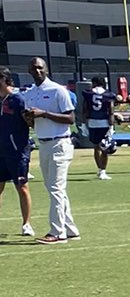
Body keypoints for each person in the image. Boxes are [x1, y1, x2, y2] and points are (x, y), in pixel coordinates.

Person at [22, 58, 79, 242]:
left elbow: (70, 118)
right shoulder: (30, 93)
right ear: (29, 71)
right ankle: (70, 229)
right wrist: (29, 118)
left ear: (46, 69)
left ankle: (57, 232)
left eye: (40, 68)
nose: (37, 71)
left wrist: (44, 113)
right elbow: (32, 121)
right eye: (34, 68)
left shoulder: (57, 90)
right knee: (53, 187)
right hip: (44, 143)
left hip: (60, 142)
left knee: (56, 188)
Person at [0, 68, 37, 236]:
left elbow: (30, 122)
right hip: (1, 151)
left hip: (17, 151)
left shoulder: (18, 99)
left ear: (3, 79)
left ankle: (26, 224)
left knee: (22, 186)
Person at [82, 75, 116, 178]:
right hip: (104, 123)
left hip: (92, 123)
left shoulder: (88, 93)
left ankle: (100, 169)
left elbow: (85, 110)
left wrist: (84, 124)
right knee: (105, 147)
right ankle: (103, 171)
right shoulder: (108, 94)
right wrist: (111, 126)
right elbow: (111, 111)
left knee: (96, 147)